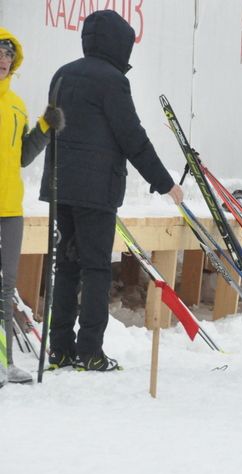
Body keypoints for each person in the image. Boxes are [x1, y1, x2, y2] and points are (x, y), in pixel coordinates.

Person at [40, 10, 183, 372]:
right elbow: (131, 137)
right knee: (96, 269)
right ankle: (90, 350)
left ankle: (58, 349)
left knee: (66, 266)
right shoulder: (112, 81)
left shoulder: (63, 74)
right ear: (119, 45)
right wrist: (165, 182)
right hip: (96, 191)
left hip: (60, 188)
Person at [0, 29, 64, 387]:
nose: (3, 59)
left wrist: (43, 126)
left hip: (9, 207)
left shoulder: (15, 105)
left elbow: (23, 156)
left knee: (6, 287)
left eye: (8, 54)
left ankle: (4, 362)